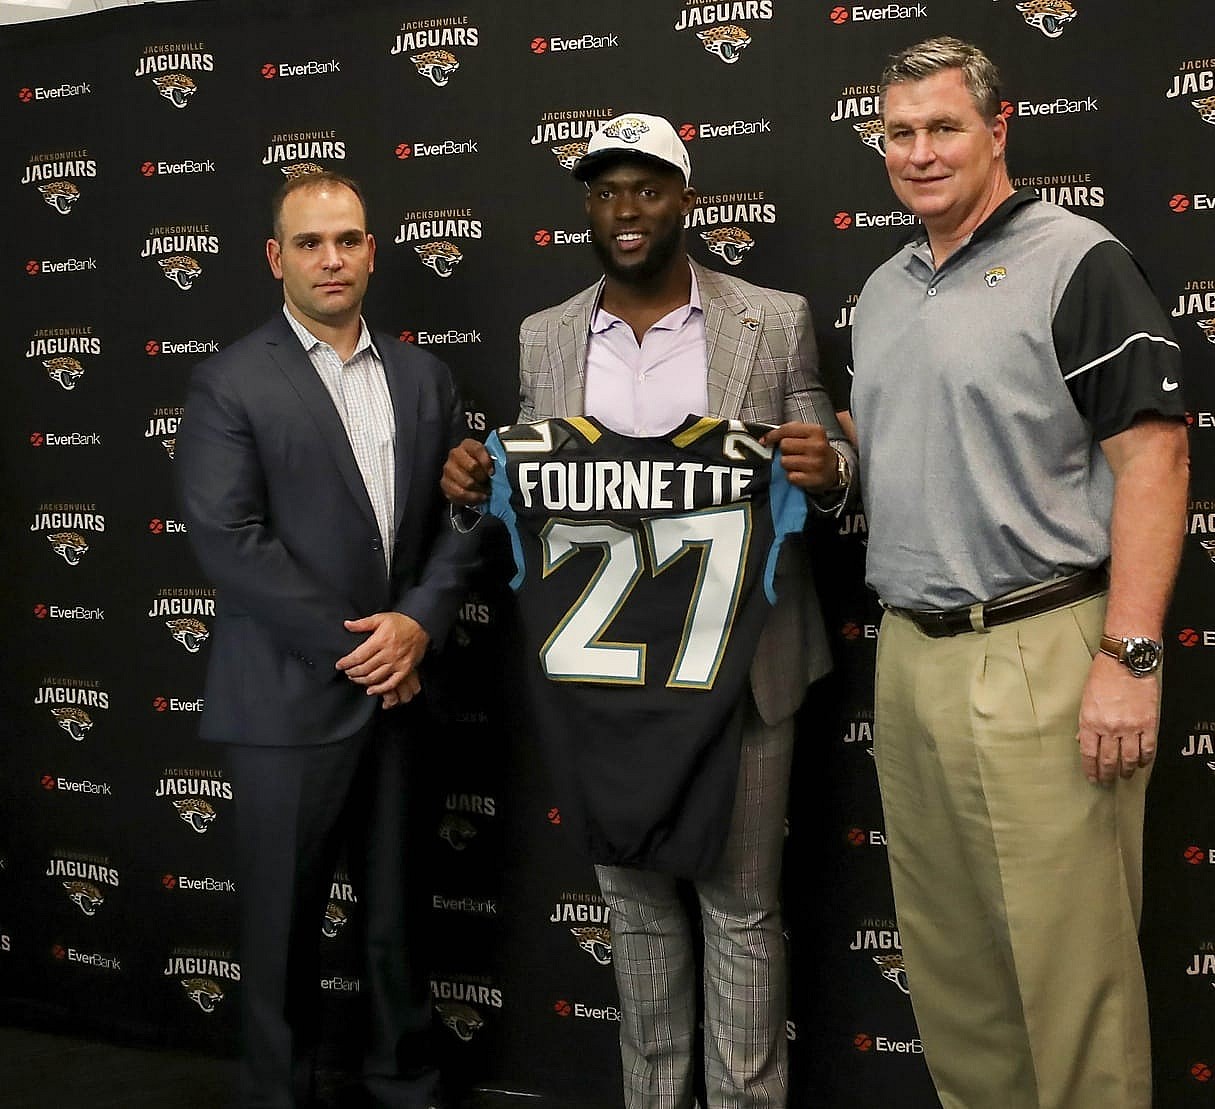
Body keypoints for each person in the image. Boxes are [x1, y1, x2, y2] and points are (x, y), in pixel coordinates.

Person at [441, 113, 852, 1109]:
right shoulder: (546, 334)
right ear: (588, 205)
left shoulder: (773, 316)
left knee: (740, 906)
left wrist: (829, 469)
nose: (626, 210)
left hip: (741, 666)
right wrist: (468, 486)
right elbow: (532, 497)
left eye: (647, 187)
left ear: (684, 197)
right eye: (606, 190)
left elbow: (828, 463)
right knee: (632, 904)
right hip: (611, 670)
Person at [848, 38, 1190, 1109]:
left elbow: (1155, 455)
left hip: (1040, 642)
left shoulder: (1075, 259)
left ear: (999, 129)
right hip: (910, 651)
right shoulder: (883, 285)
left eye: (942, 126)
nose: (918, 151)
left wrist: (1127, 656)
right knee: (953, 967)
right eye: (897, 132)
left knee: (1066, 970)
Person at [176, 170, 474, 1109]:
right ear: (276, 258)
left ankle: (406, 1087)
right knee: (279, 931)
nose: (331, 258)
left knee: (396, 927)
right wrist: (366, 647)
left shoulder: (426, 377)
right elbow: (229, 540)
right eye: (309, 243)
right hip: (287, 698)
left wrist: (418, 623)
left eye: (347, 239)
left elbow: (463, 524)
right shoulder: (229, 379)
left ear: (373, 249)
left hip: (403, 698)